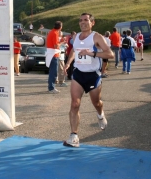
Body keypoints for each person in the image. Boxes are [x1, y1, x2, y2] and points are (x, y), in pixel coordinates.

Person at [63, 13, 114, 147]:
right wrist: (69, 63)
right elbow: (74, 50)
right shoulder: (76, 36)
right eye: (80, 20)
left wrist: (91, 53)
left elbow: (110, 54)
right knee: (74, 104)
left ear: (92, 23)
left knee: (96, 103)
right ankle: (74, 136)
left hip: (93, 75)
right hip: (78, 74)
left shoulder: (96, 37)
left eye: (86, 20)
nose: (82, 22)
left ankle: (100, 114)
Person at [45, 21, 62, 94]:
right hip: (54, 55)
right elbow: (56, 46)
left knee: (52, 72)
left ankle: (51, 87)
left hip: (51, 54)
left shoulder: (51, 32)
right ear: (60, 27)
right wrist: (62, 43)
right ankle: (51, 87)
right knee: (53, 72)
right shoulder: (55, 33)